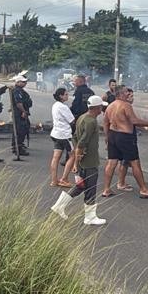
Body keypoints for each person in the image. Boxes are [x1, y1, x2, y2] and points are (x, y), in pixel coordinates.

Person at [49, 95, 109, 226]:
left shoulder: (82, 118)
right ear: (97, 107)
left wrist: (77, 156)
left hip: (83, 159)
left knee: (81, 185)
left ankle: (59, 205)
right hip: (89, 161)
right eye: (101, 107)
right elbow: (82, 142)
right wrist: (77, 159)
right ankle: (90, 217)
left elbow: (75, 137)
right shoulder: (91, 122)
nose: (102, 109)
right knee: (91, 187)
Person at [99, 87, 148, 198]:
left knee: (111, 162)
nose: (128, 94)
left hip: (113, 135)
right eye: (126, 92)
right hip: (125, 137)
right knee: (135, 163)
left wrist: (107, 136)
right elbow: (135, 121)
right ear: (120, 94)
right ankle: (143, 190)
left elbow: (105, 123)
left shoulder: (110, 106)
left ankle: (106, 189)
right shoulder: (125, 105)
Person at [49, 87, 76, 188]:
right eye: (66, 94)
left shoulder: (55, 105)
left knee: (56, 157)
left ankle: (54, 180)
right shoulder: (63, 107)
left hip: (56, 133)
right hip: (64, 135)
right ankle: (64, 179)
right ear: (61, 96)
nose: (67, 96)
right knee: (72, 155)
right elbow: (72, 121)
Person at [9, 75, 33, 158]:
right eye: (23, 82)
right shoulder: (17, 91)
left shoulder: (20, 90)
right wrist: (24, 111)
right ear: (18, 82)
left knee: (24, 128)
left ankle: (19, 145)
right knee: (20, 130)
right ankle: (17, 148)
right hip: (19, 114)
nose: (25, 83)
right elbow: (19, 103)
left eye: (25, 81)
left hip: (22, 113)